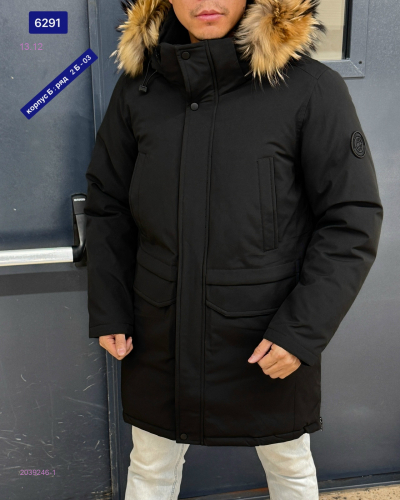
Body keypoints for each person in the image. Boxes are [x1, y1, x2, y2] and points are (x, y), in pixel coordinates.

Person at [84, 0, 384, 499]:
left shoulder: (309, 87)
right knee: (151, 465)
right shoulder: (139, 88)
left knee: (288, 464)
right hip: (159, 330)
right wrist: (110, 307)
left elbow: (351, 219)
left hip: (266, 336)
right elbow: (107, 205)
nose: (206, 3)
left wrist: (301, 333)